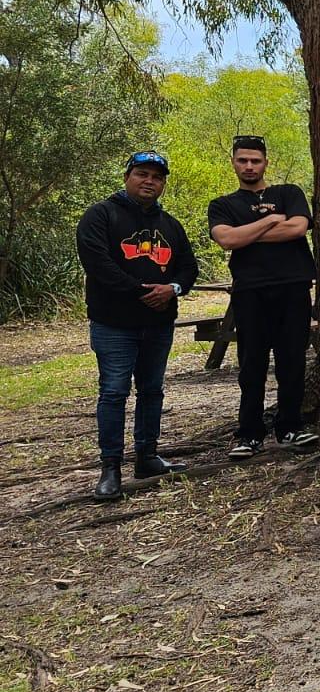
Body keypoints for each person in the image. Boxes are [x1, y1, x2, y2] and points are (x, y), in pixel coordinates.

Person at [77, 151, 200, 501]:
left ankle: (147, 456)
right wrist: (141, 291)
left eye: (157, 177)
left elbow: (188, 267)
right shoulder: (101, 215)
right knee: (114, 392)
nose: (149, 181)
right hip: (114, 323)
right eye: (142, 174)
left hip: (158, 324)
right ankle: (110, 467)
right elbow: (97, 262)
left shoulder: (170, 225)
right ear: (127, 177)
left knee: (152, 390)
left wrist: (173, 288)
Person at [207, 134, 318, 459]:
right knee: (251, 363)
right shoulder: (223, 204)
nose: (249, 166)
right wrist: (269, 220)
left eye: (255, 160)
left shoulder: (288, 193)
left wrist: (246, 232)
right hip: (250, 291)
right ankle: (249, 433)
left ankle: (290, 427)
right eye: (243, 160)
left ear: (266, 163)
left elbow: (297, 228)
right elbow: (226, 239)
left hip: (293, 286)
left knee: (292, 360)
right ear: (233, 163)